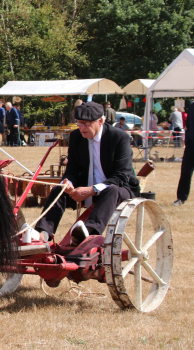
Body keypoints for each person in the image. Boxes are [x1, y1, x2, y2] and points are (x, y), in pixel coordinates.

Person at [34, 102, 140, 245]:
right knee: (59, 189)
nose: (82, 128)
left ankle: (87, 234)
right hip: (86, 186)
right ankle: (43, 233)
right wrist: (68, 183)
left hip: (118, 188)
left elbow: (121, 175)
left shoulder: (119, 137)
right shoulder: (76, 137)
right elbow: (72, 170)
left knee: (112, 190)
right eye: (79, 123)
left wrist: (92, 190)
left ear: (101, 121)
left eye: (86, 124)